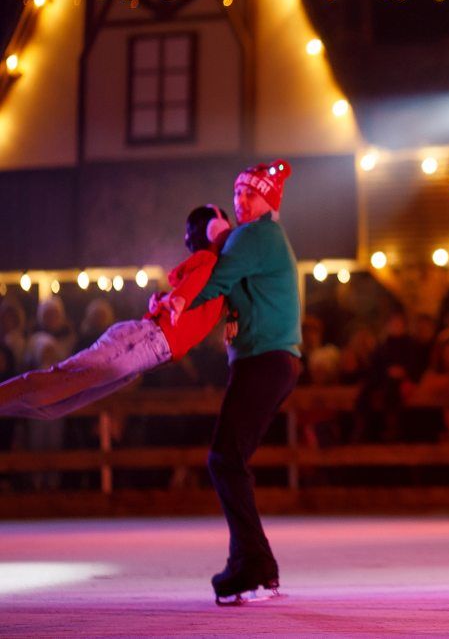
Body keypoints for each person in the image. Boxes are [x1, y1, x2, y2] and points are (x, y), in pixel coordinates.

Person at [169, 160, 302, 605]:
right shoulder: (260, 238)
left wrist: (172, 302)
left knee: (225, 459)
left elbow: (214, 280)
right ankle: (252, 564)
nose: (242, 200)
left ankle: (254, 564)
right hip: (269, 358)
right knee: (230, 460)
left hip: (264, 357)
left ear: (269, 202)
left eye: (252, 194)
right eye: (238, 193)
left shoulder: (256, 235)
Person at [0, 206, 230, 420]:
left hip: (149, 348)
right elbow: (196, 278)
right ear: (216, 231)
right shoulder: (209, 261)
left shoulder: (220, 279)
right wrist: (179, 299)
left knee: (52, 407)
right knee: (55, 385)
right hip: (146, 340)